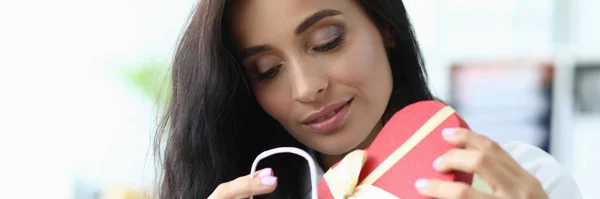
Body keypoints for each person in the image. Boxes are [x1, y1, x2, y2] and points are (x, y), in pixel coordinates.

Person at [153, 0, 583, 198]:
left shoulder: (526, 179)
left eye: (327, 41)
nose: (307, 88)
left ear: (385, 28)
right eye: (266, 71)